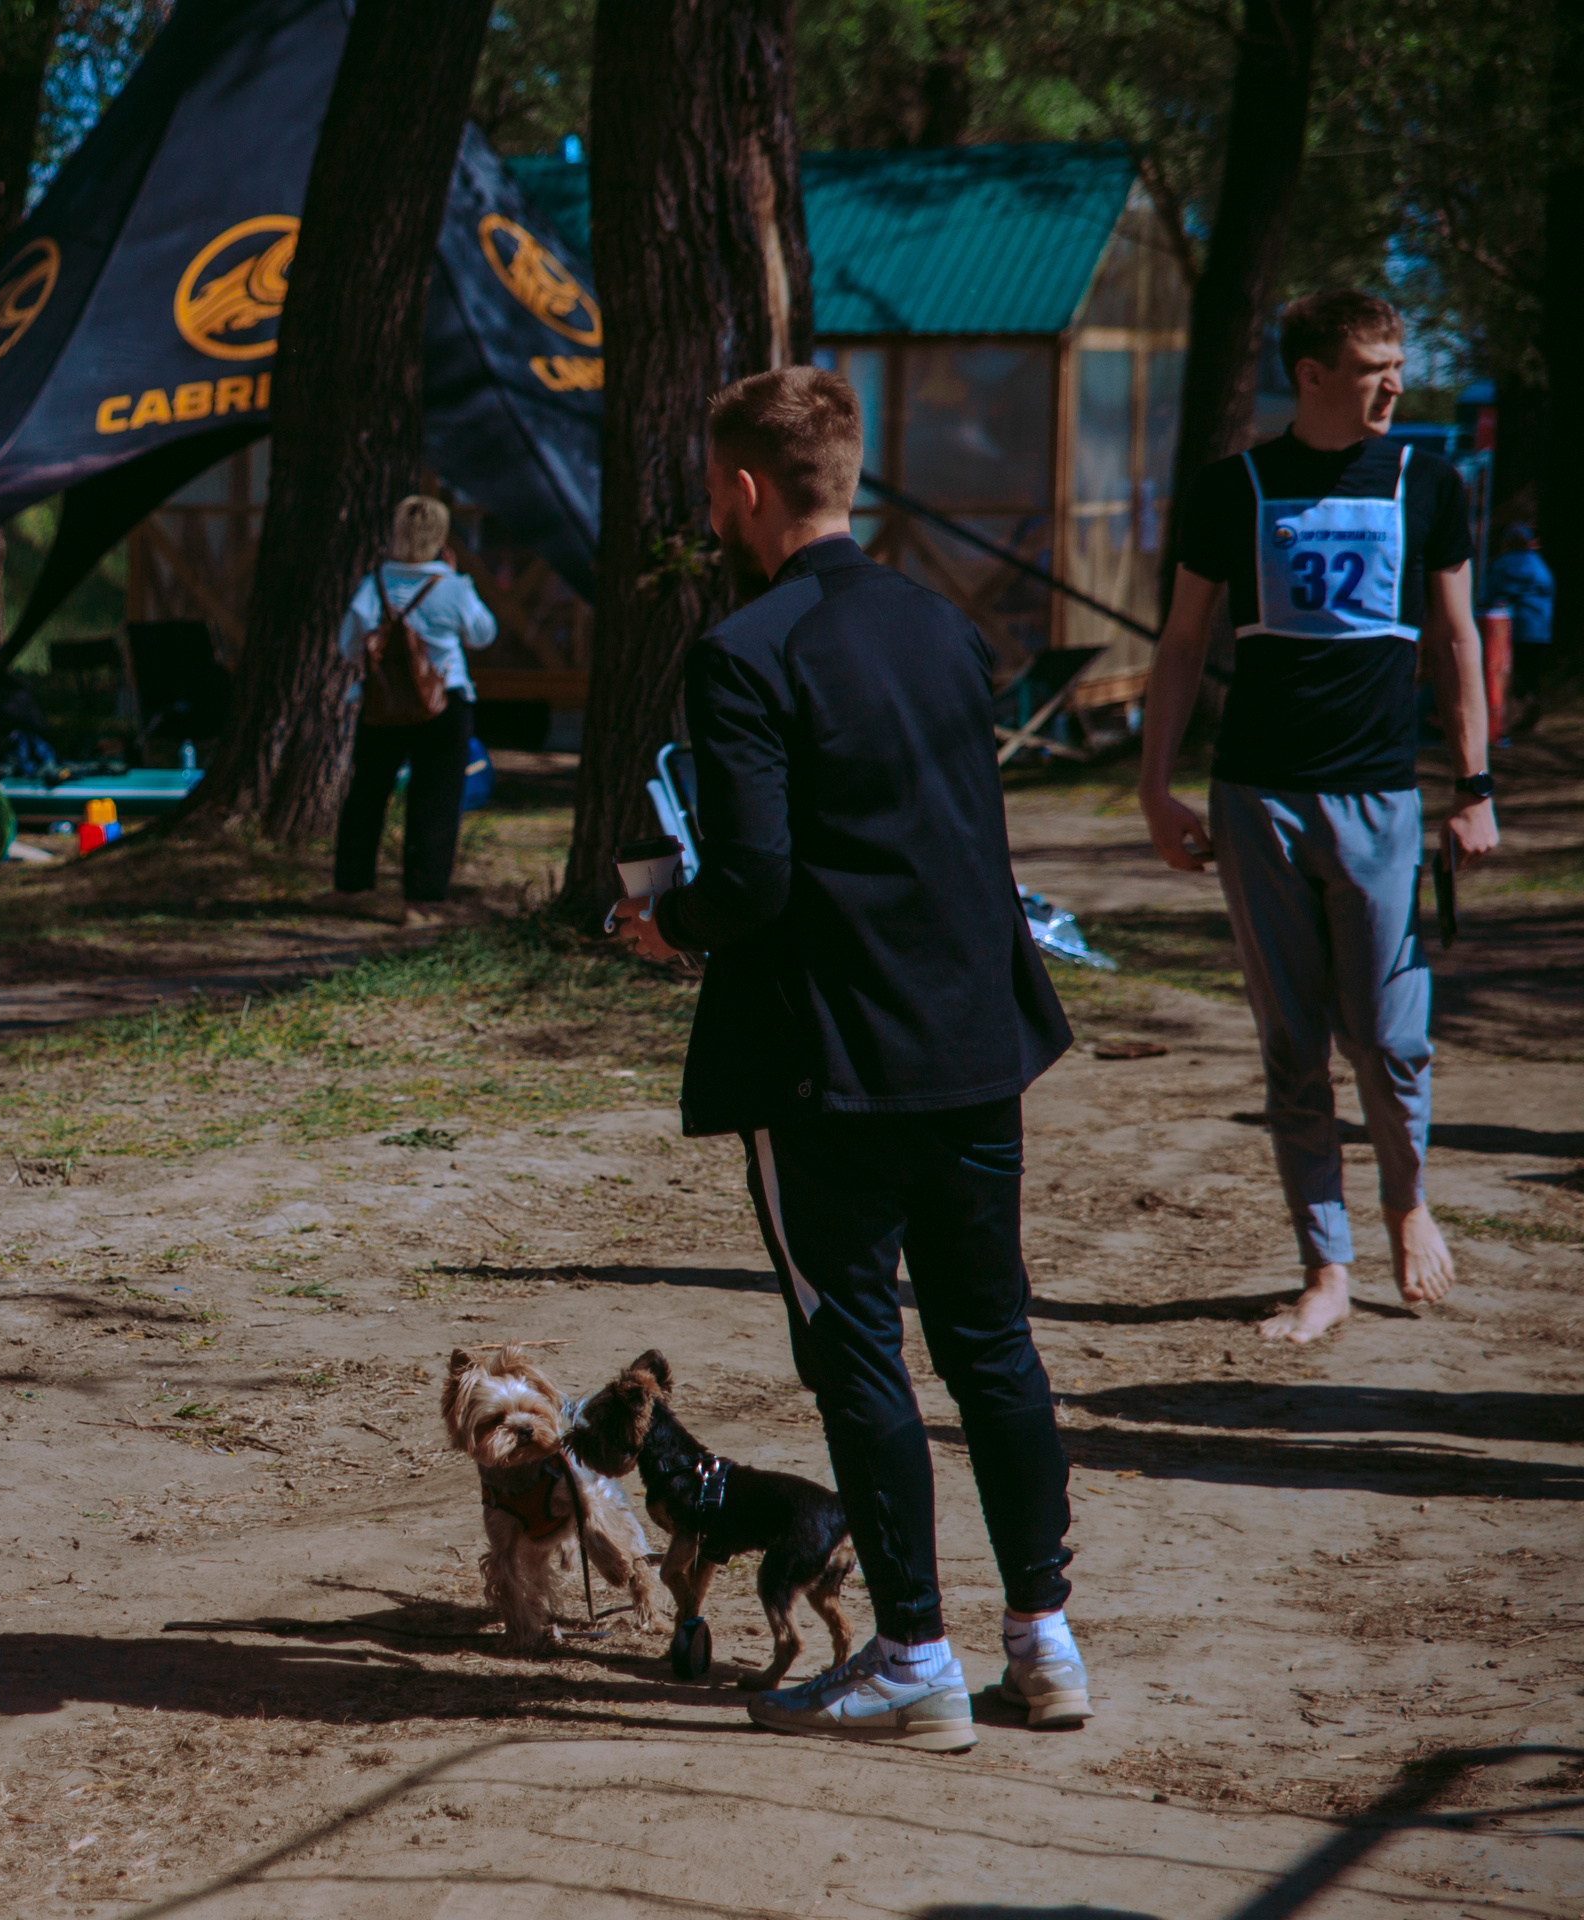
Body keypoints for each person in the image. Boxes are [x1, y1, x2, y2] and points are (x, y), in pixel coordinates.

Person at [614, 366, 1083, 1752]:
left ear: (749, 491)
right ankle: (1043, 1641)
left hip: (830, 1061)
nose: (716, 515)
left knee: (858, 1350)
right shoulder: (946, 630)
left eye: (715, 493)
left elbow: (752, 877)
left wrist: (665, 924)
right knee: (993, 1343)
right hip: (973, 1038)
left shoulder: (744, 651)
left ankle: (914, 1655)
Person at [1139, 289, 1496, 1345]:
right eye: (1372, 364)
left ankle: (1406, 1203)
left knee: (1388, 1040)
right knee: (1292, 1044)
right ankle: (1323, 1265)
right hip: (1256, 801)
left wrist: (1471, 787)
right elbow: (1179, 647)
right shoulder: (1231, 487)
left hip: (1381, 800)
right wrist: (1157, 787)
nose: (1393, 380)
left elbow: (1457, 640)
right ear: (1310, 373)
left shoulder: (1427, 482)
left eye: (1397, 361)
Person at [331, 495, 497, 917]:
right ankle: (421, 899)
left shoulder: (375, 584)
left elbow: (349, 647)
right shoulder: (451, 586)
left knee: (367, 792)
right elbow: (482, 634)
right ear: (441, 536)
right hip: (445, 701)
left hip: (381, 704)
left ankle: (351, 886)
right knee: (436, 799)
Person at [1485, 524, 1555, 733]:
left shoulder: (1501, 565)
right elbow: (1550, 591)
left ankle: (1519, 707)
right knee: (1532, 671)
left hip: (1510, 627)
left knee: (1510, 671)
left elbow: (1489, 593)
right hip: (1539, 629)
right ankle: (1532, 716)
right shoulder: (1540, 566)